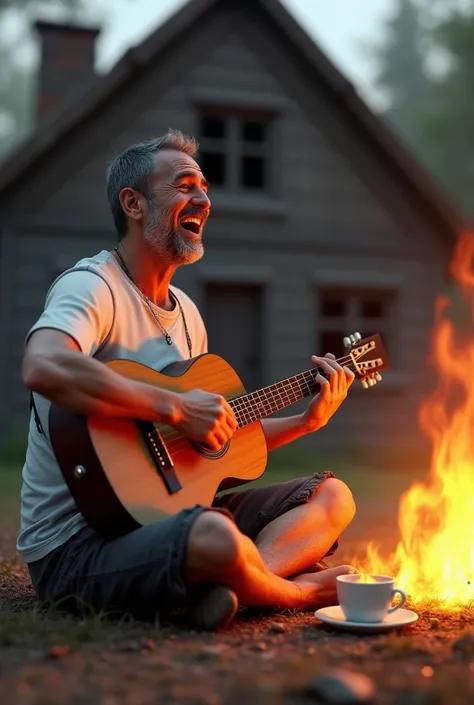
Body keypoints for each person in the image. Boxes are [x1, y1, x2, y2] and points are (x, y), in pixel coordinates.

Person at [18, 129, 357, 631]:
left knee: (334, 497)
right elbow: (42, 366)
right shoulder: (94, 286)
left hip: (164, 517)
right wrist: (173, 407)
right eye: (183, 186)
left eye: (204, 186)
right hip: (77, 544)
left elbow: (211, 439)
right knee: (216, 536)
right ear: (133, 203)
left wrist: (306, 422)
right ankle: (292, 591)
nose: (203, 198)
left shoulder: (188, 316)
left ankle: (236, 582)